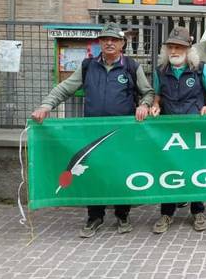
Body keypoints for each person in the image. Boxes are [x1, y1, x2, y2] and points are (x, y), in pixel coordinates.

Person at [31, 22, 154, 238]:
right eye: (105, 39)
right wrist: (46, 105)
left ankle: (122, 214)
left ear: (122, 44)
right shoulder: (88, 66)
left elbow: (148, 92)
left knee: (120, 172)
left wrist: (144, 105)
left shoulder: (132, 67)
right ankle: (94, 216)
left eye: (114, 40)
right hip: (93, 133)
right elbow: (65, 88)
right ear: (99, 43)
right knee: (93, 173)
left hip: (121, 133)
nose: (109, 43)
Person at [150, 27, 206, 234]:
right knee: (169, 169)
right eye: (171, 47)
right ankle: (166, 213)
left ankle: (198, 211)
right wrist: (155, 105)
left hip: (194, 130)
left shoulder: (199, 68)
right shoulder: (161, 71)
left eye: (179, 47)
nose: (174, 51)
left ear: (188, 50)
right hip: (170, 130)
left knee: (196, 169)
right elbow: (157, 95)